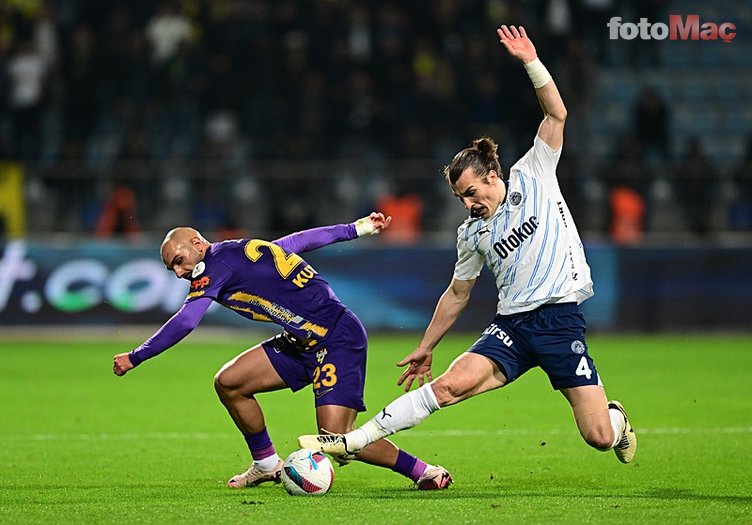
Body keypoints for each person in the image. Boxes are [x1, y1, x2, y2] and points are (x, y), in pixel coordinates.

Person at [299, 25, 637, 475]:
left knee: (598, 438)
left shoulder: (534, 173)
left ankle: (618, 421)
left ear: (493, 174)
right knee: (447, 387)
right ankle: (352, 441)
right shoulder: (471, 234)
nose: (468, 203)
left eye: (472, 192)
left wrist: (530, 63)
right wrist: (426, 345)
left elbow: (556, 116)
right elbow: (457, 294)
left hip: (559, 319)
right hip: (512, 327)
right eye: (460, 197)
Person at [113, 213, 453, 490]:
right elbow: (297, 242)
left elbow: (186, 322)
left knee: (338, 439)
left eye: (179, 260)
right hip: (299, 342)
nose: (179, 272)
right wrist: (354, 228)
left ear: (198, 244)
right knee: (230, 382)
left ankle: (424, 472)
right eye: (171, 268)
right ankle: (266, 464)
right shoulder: (239, 251)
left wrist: (135, 356)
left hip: (335, 338)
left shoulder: (214, 266)